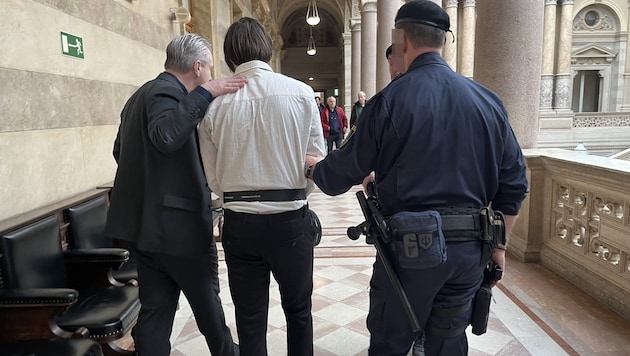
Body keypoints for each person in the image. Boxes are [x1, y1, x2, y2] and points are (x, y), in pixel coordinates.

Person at [305, 1, 528, 355]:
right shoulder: (488, 101)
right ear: (444, 41)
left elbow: (337, 176)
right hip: (470, 250)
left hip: (408, 253)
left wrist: (313, 167)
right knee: (448, 341)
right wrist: (499, 246)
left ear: (402, 40)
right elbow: (515, 184)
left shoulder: (390, 101)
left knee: (391, 341)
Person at [104, 34, 246, 356]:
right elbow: (166, 135)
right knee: (208, 305)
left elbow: (119, 152)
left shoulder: (139, 96)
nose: (210, 76)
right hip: (178, 232)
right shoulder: (168, 93)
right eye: (209, 70)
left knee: (156, 311)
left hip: (146, 231)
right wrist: (207, 93)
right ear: (198, 67)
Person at [198, 17, 326, 356]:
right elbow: (316, 161)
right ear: (267, 51)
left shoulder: (213, 106)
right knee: (299, 312)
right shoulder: (301, 94)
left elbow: (212, 178)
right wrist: (294, 191)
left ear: (229, 56)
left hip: (239, 223)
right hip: (290, 221)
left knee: (250, 317)